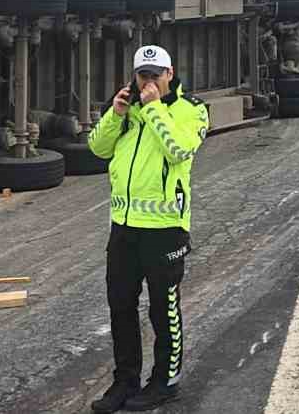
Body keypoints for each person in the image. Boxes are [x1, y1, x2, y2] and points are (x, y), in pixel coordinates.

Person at [87, 45, 210, 412]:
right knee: (120, 305)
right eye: (143, 74)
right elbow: (96, 147)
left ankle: (164, 381)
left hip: (165, 227)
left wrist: (154, 107)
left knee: (163, 307)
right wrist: (116, 113)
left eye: (156, 74)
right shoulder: (128, 112)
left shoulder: (192, 110)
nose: (149, 81)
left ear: (170, 73)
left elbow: (179, 149)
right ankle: (125, 382)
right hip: (124, 226)